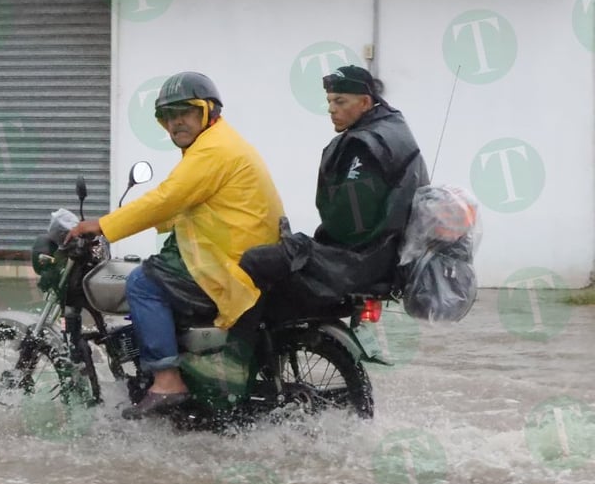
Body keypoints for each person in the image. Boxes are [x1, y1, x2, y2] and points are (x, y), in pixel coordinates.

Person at [65, 71, 284, 418]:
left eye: (185, 112)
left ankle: (167, 381)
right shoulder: (217, 144)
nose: (175, 122)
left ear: (208, 111)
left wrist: (102, 226)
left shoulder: (213, 150)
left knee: (142, 282)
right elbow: (186, 203)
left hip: (229, 261)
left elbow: (166, 199)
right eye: (167, 116)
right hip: (237, 250)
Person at [240, 65, 429, 315]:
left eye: (340, 101)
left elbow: (349, 222)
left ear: (364, 101)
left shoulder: (365, 145)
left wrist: (311, 246)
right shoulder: (393, 129)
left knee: (255, 260)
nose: (331, 109)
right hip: (383, 256)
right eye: (329, 101)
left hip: (360, 261)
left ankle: (239, 350)